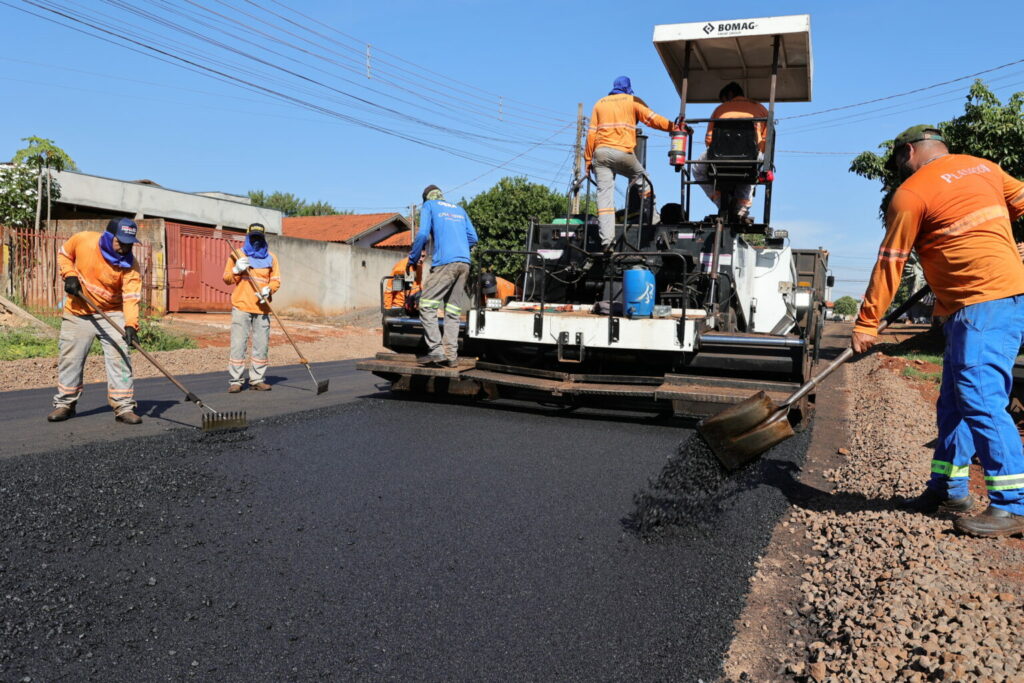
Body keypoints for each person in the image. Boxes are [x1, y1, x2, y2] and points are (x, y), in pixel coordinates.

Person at [851, 125, 1024, 538]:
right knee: (953, 404)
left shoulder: (911, 193)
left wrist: (867, 322)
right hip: (979, 304)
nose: (898, 170)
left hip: (985, 302)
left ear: (908, 152)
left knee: (980, 399)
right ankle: (948, 489)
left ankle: (1013, 505)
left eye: (897, 162)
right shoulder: (984, 168)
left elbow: (891, 261)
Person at [48, 218, 143, 424]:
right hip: (78, 311)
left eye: (129, 243)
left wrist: (130, 325)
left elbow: (131, 297)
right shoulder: (83, 240)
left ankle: (123, 406)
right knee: (70, 359)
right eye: (121, 242)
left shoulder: (131, 265)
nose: (125, 247)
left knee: (121, 358)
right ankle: (66, 404)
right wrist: (70, 275)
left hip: (112, 312)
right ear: (109, 236)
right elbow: (64, 255)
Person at [584, 76, 674, 250]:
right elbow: (653, 119)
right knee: (643, 180)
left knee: (604, 197)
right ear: (628, 89)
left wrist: (588, 160)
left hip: (600, 153)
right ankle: (653, 220)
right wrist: (674, 127)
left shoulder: (599, 104)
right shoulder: (632, 101)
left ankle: (606, 241)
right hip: (623, 153)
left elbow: (591, 134)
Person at [408, 184, 477, 367]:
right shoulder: (460, 210)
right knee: (453, 312)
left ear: (426, 198)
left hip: (446, 263)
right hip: (464, 263)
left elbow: (422, 233)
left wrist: (413, 257)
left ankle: (437, 351)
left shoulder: (429, 206)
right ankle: (451, 356)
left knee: (426, 305)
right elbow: (474, 238)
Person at [692, 82, 769, 218]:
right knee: (753, 172)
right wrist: (758, 152)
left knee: (697, 170)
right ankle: (742, 207)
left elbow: (709, 140)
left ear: (730, 94)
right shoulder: (761, 109)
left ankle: (720, 200)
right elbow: (767, 139)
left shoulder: (720, 109)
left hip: (719, 156)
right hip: (751, 155)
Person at [223, 223, 281, 393]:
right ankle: (236, 381)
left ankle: (257, 379)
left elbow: (276, 279)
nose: (256, 240)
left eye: (259, 237)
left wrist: (268, 289)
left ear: (263, 238)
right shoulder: (237, 255)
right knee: (238, 344)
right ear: (248, 236)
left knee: (261, 345)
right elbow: (226, 279)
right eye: (253, 236)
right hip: (241, 306)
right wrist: (236, 269)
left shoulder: (271, 258)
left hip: (262, 308)